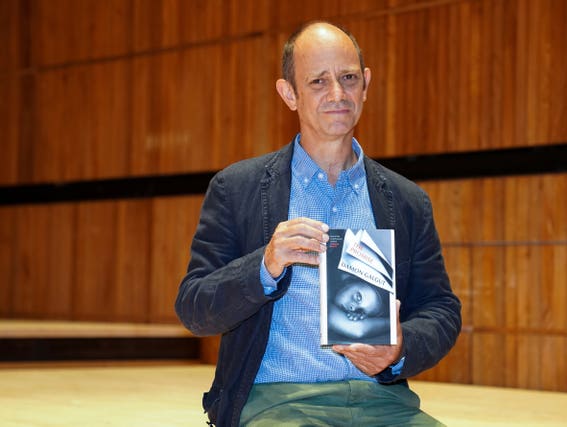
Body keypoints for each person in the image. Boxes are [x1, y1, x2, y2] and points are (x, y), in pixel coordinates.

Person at [175, 20, 462, 427]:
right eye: (318, 82)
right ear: (289, 94)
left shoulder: (406, 201)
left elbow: (441, 308)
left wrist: (400, 350)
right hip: (278, 402)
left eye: (348, 78)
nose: (337, 94)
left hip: (384, 403)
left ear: (366, 84)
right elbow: (193, 307)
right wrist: (264, 265)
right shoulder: (237, 189)